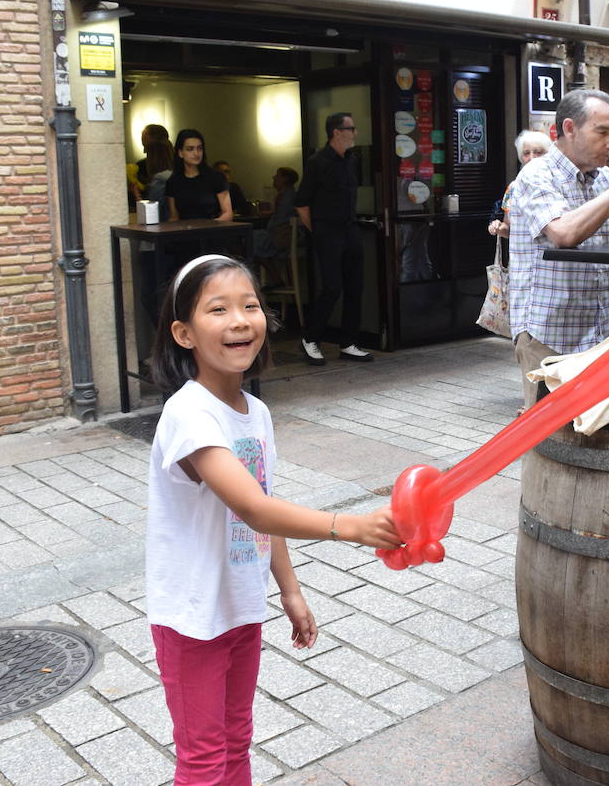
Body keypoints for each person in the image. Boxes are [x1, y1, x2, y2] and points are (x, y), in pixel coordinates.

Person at [146, 253, 400, 784]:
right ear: (184, 333)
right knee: (203, 757)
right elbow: (253, 506)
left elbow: (264, 511)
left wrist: (289, 590)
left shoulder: (254, 413)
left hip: (240, 606)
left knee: (237, 739)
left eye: (251, 306)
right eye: (218, 309)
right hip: (192, 618)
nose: (240, 320)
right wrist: (348, 526)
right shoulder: (189, 413)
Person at [508, 88, 609, 408]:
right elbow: (564, 233)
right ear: (569, 129)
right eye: (602, 132)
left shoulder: (603, 178)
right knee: (548, 443)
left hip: (597, 335)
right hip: (547, 337)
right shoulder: (537, 174)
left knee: (589, 438)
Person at [295, 112, 372, 365]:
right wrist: (317, 231)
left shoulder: (351, 160)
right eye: (351, 128)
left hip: (350, 229)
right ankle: (310, 338)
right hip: (327, 232)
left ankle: (348, 342)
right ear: (337, 133)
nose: (355, 133)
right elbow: (302, 203)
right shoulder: (318, 162)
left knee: (355, 286)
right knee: (332, 287)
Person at [487, 129, 553, 240]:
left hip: (551, 255)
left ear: (549, 155)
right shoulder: (513, 188)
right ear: (521, 158)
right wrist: (498, 228)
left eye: (538, 152)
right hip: (523, 256)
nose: (532, 157)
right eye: (526, 153)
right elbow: (509, 228)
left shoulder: (558, 184)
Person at [165, 130, 232, 222]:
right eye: (190, 149)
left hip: (213, 231)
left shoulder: (216, 177)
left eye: (199, 148)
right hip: (185, 232)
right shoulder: (173, 182)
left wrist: (209, 227)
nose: (196, 153)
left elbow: (228, 214)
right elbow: (174, 217)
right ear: (180, 152)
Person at [256, 167, 299, 287]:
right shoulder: (288, 194)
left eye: (277, 175)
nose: (273, 178)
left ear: (284, 179)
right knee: (254, 241)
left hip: (282, 237)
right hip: (283, 235)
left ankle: (274, 278)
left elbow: (281, 219)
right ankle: (275, 278)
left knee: (249, 242)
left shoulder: (286, 196)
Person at [129, 123, 171, 209]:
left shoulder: (159, 179)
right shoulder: (140, 167)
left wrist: (137, 196)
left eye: (144, 136)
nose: (142, 139)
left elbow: (152, 210)